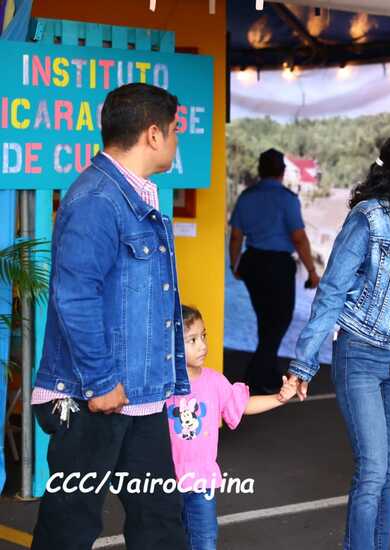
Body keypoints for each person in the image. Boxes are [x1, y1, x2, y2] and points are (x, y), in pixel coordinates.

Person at [31, 83, 189, 549]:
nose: (177, 140)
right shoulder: (98, 199)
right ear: (154, 134)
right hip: (94, 396)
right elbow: (75, 296)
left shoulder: (131, 194)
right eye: (175, 130)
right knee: (70, 525)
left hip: (138, 393)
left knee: (160, 521)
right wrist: (100, 382)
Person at [279, 130, 390, 550]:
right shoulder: (368, 218)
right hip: (359, 352)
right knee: (374, 469)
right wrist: (303, 365)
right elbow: (332, 292)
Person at [167, 305, 289, 550]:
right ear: (170, 344)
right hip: (164, 483)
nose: (202, 345)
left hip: (201, 482)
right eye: (192, 340)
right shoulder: (162, 386)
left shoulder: (214, 381)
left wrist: (279, 398)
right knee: (166, 541)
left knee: (204, 541)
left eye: (203, 336)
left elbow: (243, 405)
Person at [229, 148, 320, 395]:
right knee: (279, 321)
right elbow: (299, 238)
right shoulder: (287, 199)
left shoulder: (246, 197)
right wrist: (312, 271)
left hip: (253, 263)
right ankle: (255, 378)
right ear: (282, 171)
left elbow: (236, 236)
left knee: (266, 322)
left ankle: (267, 373)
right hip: (278, 266)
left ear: (259, 171)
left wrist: (234, 264)